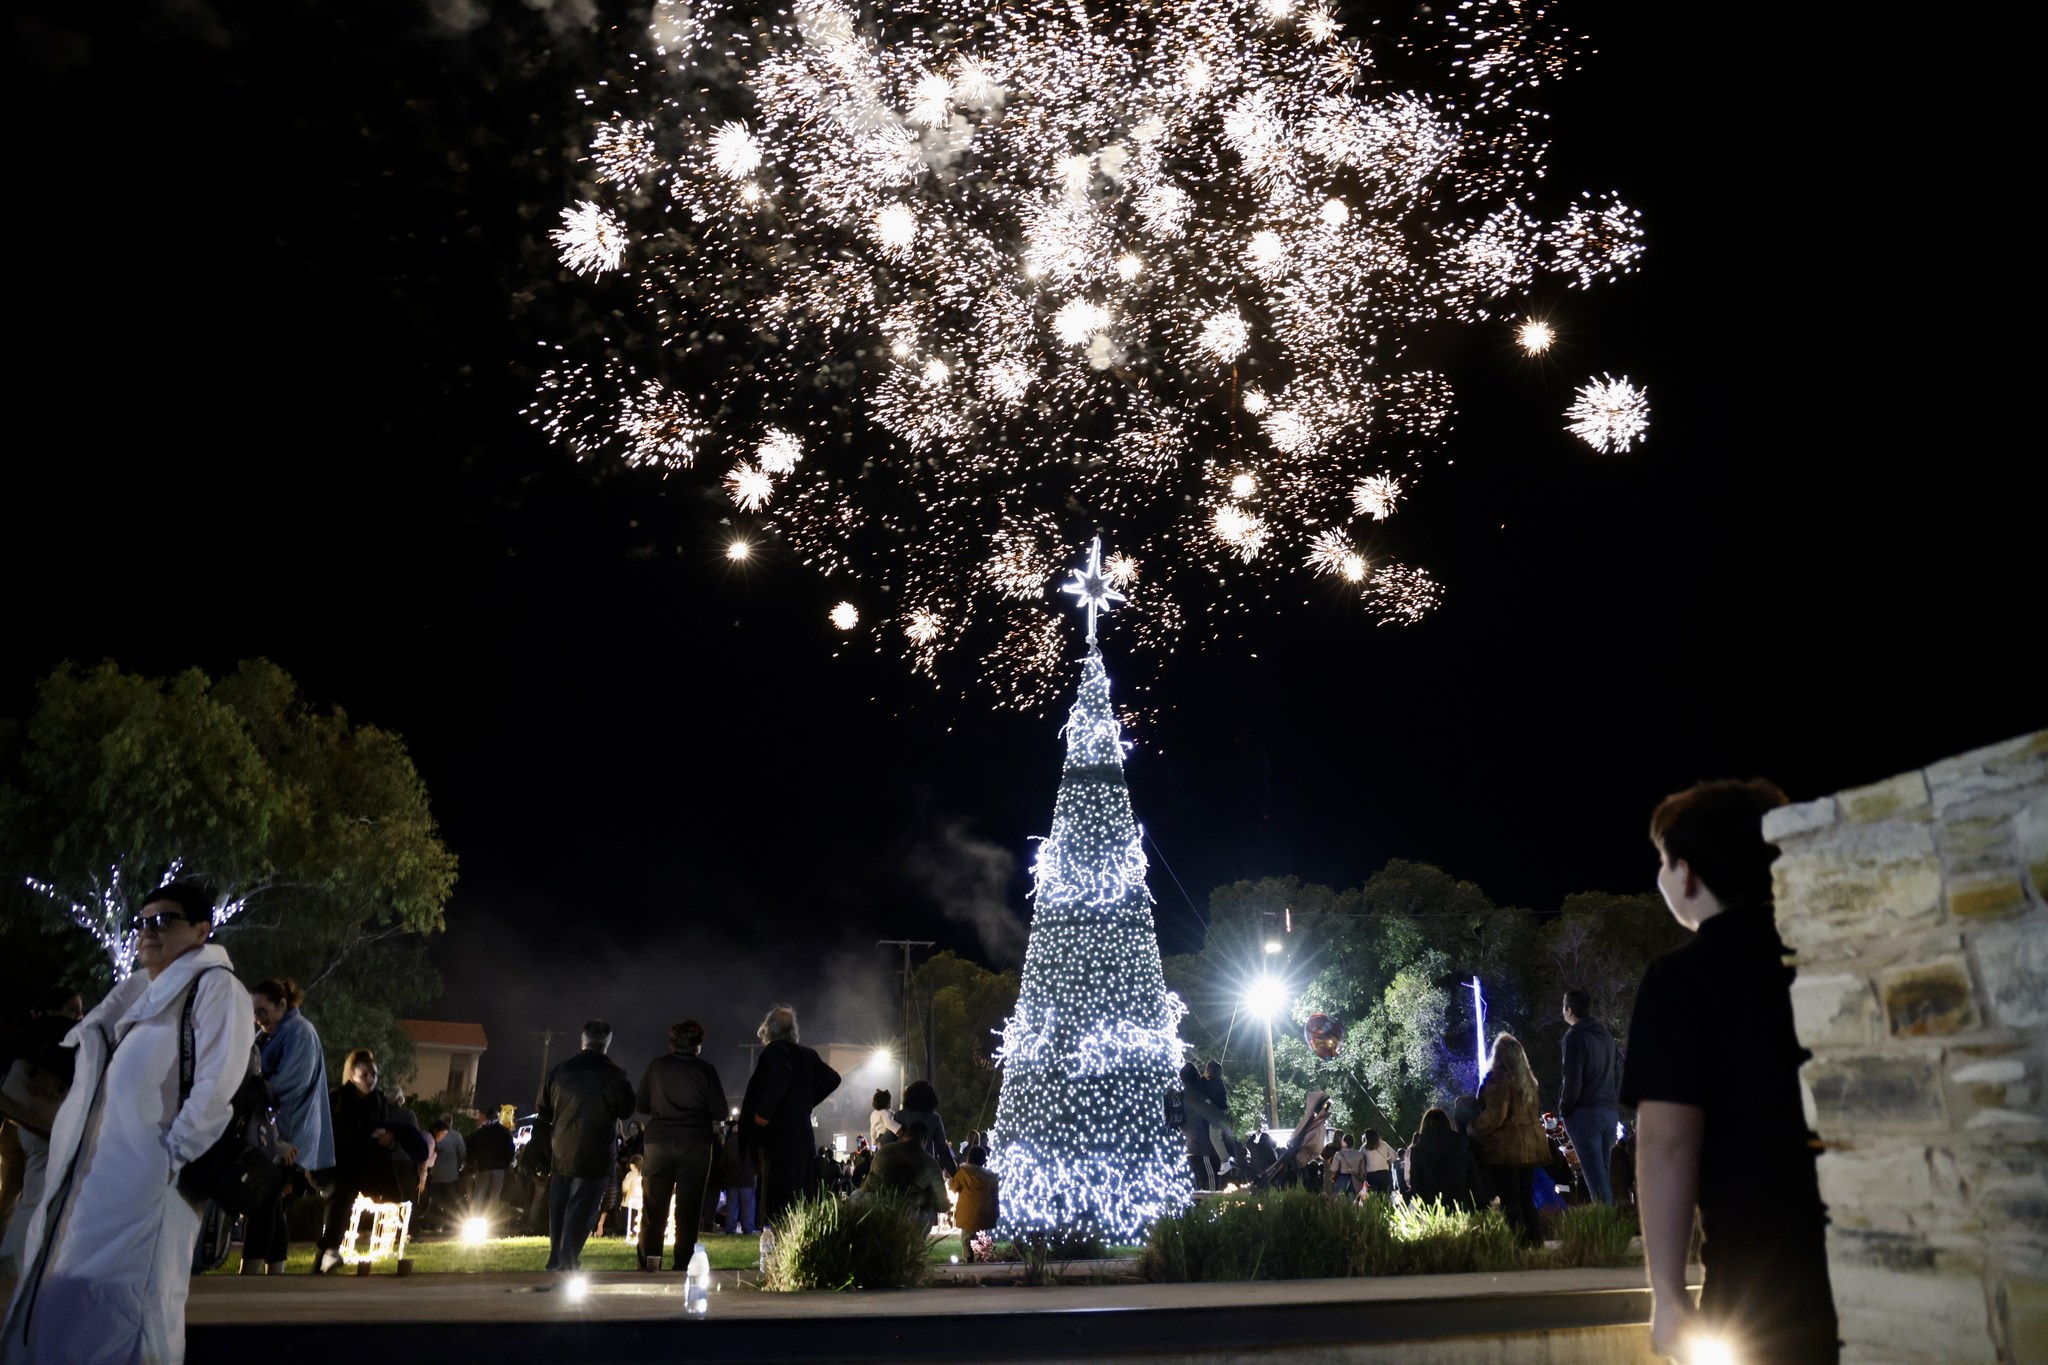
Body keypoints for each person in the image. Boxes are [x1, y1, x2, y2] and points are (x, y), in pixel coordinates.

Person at [1625, 779, 1837, 1363]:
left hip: (1755, 1288)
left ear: (1686, 875)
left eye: (1663, 862)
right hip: (1870, 1262)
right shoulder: (1835, 960)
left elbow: (1667, 1145)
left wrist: (1667, 1296)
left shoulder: (1681, 982)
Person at [1, 880, 254, 1365]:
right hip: (100, 1185)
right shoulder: (139, 998)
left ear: (202, 930)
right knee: (76, 1305)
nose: (149, 931)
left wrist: (168, 1161)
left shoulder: (216, 987)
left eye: (165, 920)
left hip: (149, 1187)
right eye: (143, 920)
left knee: (132, 1314)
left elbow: (216, 1082)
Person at [241, 978, 332, 1274]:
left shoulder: (298, 1033)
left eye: (262, 1011)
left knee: (262, 1200)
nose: (258, 1018)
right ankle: (275, 1272)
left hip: (288, 1132)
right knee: (271, 1202)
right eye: (254, 1012)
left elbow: (289, 1083)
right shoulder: (276, 1032)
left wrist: (249, 1092)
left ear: (283, 1004)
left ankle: (252, 1271)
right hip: (280, 1129)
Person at [539, 1018, 636, 1272]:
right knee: (582, 1211)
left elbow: (544, 1109)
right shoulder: (615, 1076)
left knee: (558, 1210)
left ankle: (555, 1260)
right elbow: (627, 1109)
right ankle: (567, 1262)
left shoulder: (560, 1071)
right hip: (595, 1154)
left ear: (582, 1040)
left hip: (561, 1151)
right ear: (607, 1043)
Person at [0, 984, 83, 1278]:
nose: (78, 1016)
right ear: (55, 1009)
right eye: (73, 1009)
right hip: (41, 1128)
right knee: (33, 1197)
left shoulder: (29, 1030)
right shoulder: (70, 1038)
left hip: (12, 1117)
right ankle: (11, 1268)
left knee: (7, 1193)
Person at [635, 1018, 725, 1270]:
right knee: (689, 1209)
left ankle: (649, 1264)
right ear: (698, 1045)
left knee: (653, 1208)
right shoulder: (706, 1071)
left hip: (659, 1141)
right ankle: (683, 1265)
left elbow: (641, 1104)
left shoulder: (657, 1067)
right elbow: (720, 1110)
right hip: (695, 1143)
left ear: (672, 1042)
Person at [739, 1005, 841, 1225]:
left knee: (778, 1197)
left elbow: (781, 1079)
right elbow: (833, 1079)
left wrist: (763, 1114)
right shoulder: (808, 1055)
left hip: (779, 1136)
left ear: (769, 1029)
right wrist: (806, 1103)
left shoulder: (775, 1051)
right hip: (803, 1135)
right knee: (800, 1197)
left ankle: (776, 1246)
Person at [315, 1048, 402, 1272]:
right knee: (340, 1196)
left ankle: (393, 1242)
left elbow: (389, 1130)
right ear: (352, 1074)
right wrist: (365, 1133)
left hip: (370, 1164)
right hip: (341, 1163)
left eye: (374, 1075)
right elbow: (332, 1133)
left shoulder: (380, 1100)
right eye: (365, 1075)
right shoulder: (338, 1099)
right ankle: (328, 1252)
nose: (371, 1080)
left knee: (393, 1198)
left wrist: (389, 1141)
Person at [1470, 1034, 1549, 1247]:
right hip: (1529, 1149)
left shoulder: (1497, 1080)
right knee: (1526, 1198)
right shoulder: (1529, 1083)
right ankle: (1536, 1241)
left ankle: (1518, 1245)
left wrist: (1473, 1128)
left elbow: (1495, 1115)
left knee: (1510, 1200)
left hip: (1505, 1149)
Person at [1558, 988, 1621, 1206]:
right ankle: (1610, 1226)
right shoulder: (1605, 1036)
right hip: (1609, 1111)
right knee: (1602, 1172)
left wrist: (1565, 1108)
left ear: (1569, 1010)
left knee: (1594, 1177)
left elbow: (1572, 1078)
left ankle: (1605, 1228)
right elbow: (1616, 1073)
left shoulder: (1575, 1037)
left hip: (1585, 1113)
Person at [861, 1119, 947, 1222]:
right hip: (906, 1215)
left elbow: (869, 1181)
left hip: (875, 1206)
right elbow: (942, 1205)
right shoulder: (930, 1163)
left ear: (905, 1136)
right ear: (925, 1140)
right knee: (931, 1209)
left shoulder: (884, 1151)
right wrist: (927, 1196)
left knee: (856, 1195)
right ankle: (916, 1238)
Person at [1406, 1107, 1483, 1209]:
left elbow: (1416, 1185)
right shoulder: (1463, 1143)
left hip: (1433, 1209)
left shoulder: (1418, 1149)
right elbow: (1474, 1178)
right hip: (1462, 1205)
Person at [948, 1143, 999, 1259]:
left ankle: (968, 1265)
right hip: (986, 1216)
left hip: (968, 1216)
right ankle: (983, 1266)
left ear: (969, 1158)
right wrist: (996, 1215)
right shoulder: (991, 1178)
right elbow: (995, 1198)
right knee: (983, 1246)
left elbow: (953, 1187)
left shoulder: (964, 1173)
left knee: (966, 1242)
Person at [468, 1107, 515, 1213]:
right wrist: (506, 1163)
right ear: (497, 1117)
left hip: (483, 1166)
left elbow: (470, 1144)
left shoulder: (481, 1131)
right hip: (499, 1167)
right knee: (495, 1195)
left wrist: (474, 1159)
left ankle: (474, 1216)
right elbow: (511, 1149)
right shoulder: (504, 1132)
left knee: (479, 1194)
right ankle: (492, 1218)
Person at [424, 1117, 466, 1231]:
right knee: (451, 1201)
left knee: (435, 1201)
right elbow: (462, 1153)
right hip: (451, 1174)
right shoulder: (457, 1136)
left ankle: (435, 1224)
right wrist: (461, 1167)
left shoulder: (431, 1136)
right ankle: (449, 1224)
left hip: (435, 1173)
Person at [718, 1118, 758, 1234]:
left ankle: (730, 1228)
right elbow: (757, 1161)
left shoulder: (729, 1145)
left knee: (732, 1205)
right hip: (748, 1179)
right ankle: (748, 1228)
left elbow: (722, 1163)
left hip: (732, 1179)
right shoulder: (751, 1145)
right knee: (748, 1206)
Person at [1359, 1128, 1397, 1198]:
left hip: (1371, 1176)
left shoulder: (1364, 1148)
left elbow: (1360, 1162)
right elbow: (1394, 1155)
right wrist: (1387, 1162)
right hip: (1384, 1174)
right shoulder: (1384, 1144)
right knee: (1385, 1197)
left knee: (1374, 1198)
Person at [1327, 1132, 1364, 1197]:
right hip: (1355, 1179)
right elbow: (1362, 1171)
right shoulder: (1359, 1154)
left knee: (1340, 1200)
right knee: (1352, 1200)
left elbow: (1333, 1169)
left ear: (1344, 1142)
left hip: (1342, 1179)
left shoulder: (1339, 1154)